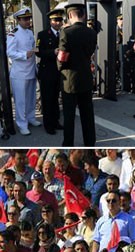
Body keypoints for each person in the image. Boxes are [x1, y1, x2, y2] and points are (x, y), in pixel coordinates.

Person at [57, 3, 97, 146]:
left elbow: (62, 56)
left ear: (69, 16)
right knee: (87, 114)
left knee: (69, 115)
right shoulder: (91, 32)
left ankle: (68, 142)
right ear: (84, 15)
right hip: (86, 77)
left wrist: (60, 69)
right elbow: (90, 52)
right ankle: (90, 141)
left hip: (70, 79)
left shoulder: (66, 32)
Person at [7, 7, 38, 136]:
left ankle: (31, 117)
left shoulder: (30, 33)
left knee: (31, 97)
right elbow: (10, 52)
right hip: (19, 72)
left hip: (30, 69)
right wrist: (25, 54)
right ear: (18, 20)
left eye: (29, 18)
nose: (28, 21)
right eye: (25, 19)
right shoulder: (13, 33)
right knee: (20, 100)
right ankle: (21, 123)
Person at [35, 9, 64, 135]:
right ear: (50, 21)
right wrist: (53, 52)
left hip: (59, 72)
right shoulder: (42, 35)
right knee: (47, 99)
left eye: (59, 20)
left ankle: (56, 121)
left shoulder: (63, 34)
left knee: (56, 98)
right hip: (47, 71)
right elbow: (39, 52)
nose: (57, 23)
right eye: (55, 20)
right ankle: (48, 124)